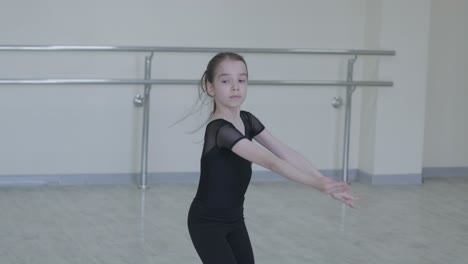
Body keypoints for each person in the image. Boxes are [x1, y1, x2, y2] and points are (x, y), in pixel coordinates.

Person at [187, 52, 359, 264]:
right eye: (225, 81)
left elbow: (284, 152)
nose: (235, 87)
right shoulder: (220, 130)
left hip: (234, 219)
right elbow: (271, 162)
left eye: (241, 80)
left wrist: (325, 181)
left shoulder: (247, 120)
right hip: (206, 223)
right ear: (210, 86)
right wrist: (317, 184)